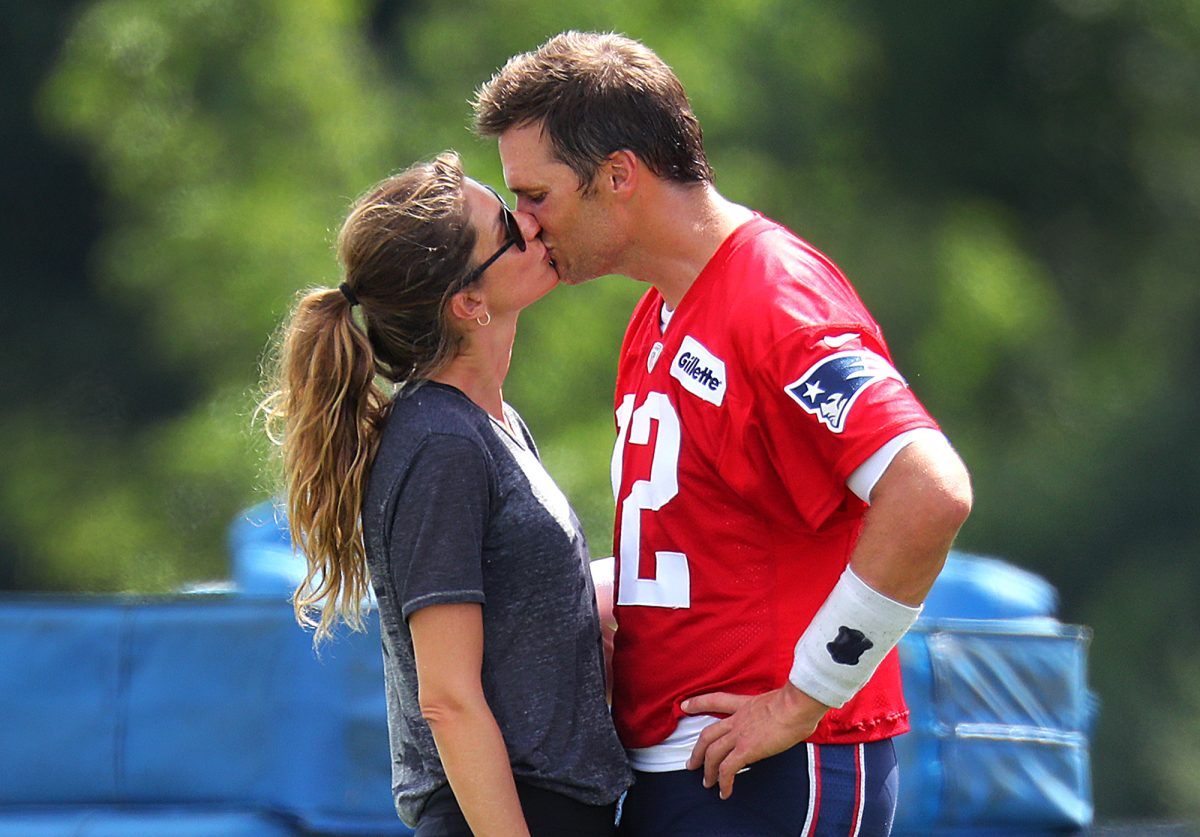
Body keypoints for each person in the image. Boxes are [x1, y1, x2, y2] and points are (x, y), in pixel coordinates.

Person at [474, 32, 974, 836]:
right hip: (677, 769)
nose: (524, 226)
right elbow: (699, 539)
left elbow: (930, 489)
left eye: (536, 196)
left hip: (770, 769)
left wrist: (805, 695)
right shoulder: (656, 311)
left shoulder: (774, 299)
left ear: (618, 176)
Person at [258, 151, 632, 836]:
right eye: (507, 232)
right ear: (469, 303)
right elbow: (449, 699)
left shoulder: (493, 426)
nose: (533, 222)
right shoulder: (442, 444)